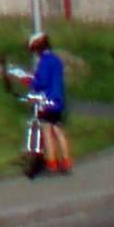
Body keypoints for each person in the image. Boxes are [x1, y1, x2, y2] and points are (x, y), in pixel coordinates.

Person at [8, 29, 72, 171]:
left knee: (46, 130)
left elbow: (40, 82)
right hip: (58, 99)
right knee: (58, 130)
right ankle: (66, 160)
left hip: (46, 101)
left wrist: (27, 80)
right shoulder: (56, 60)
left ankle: (52, 162)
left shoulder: (44, 62)